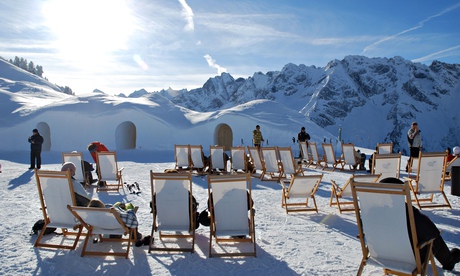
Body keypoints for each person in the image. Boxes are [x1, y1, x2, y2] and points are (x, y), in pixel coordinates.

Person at [380, 177, 460, 271]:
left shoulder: (373, 212)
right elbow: (431, 231)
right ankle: (449, 260)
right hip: (408, 257)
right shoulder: (408, 212)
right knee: (434, 238)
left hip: (384, 255)